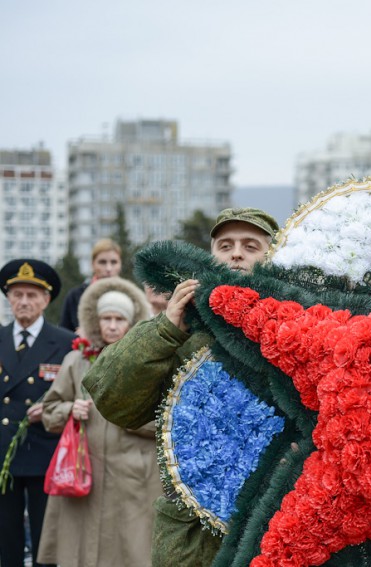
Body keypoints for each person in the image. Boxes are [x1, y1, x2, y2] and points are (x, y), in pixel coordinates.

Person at [82, 207, 279, 567]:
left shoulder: (303, 325)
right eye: (225, 245)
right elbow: (112, 399)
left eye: (251, 245)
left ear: (273, 256)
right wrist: (166, 328)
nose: (236, 253)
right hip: (190, 540)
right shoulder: (181, 328)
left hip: (277, 526)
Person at [38, 277, 158, 567]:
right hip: (83, 476)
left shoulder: (151, 363)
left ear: (132, 323)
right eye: (107, 318)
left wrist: (128, 416)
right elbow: (48, 410)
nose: (113, 325)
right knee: (83, 552)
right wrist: (70, 409)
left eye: (120, 318)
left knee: (130, 551)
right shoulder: (75, 360)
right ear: (95, 321)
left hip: (134, 479)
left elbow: (166, 421)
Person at [0, 259, 76, 567]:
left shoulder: (67, 343)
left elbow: (77, 393)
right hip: (3, 451)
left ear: (46, 299)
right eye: (17, 294)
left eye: (32, 295)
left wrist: (55, 408)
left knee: (46, 539)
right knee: (7, 540)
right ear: (8, 298)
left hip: (46, 452)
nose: (24, 302)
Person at [59, 239, 122, 335]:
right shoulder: (75, 296)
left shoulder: (131, 296)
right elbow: (63, 334)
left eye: (113, 262)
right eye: (102, 262)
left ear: (120, 264)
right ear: (92, 264)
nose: (109, 268)